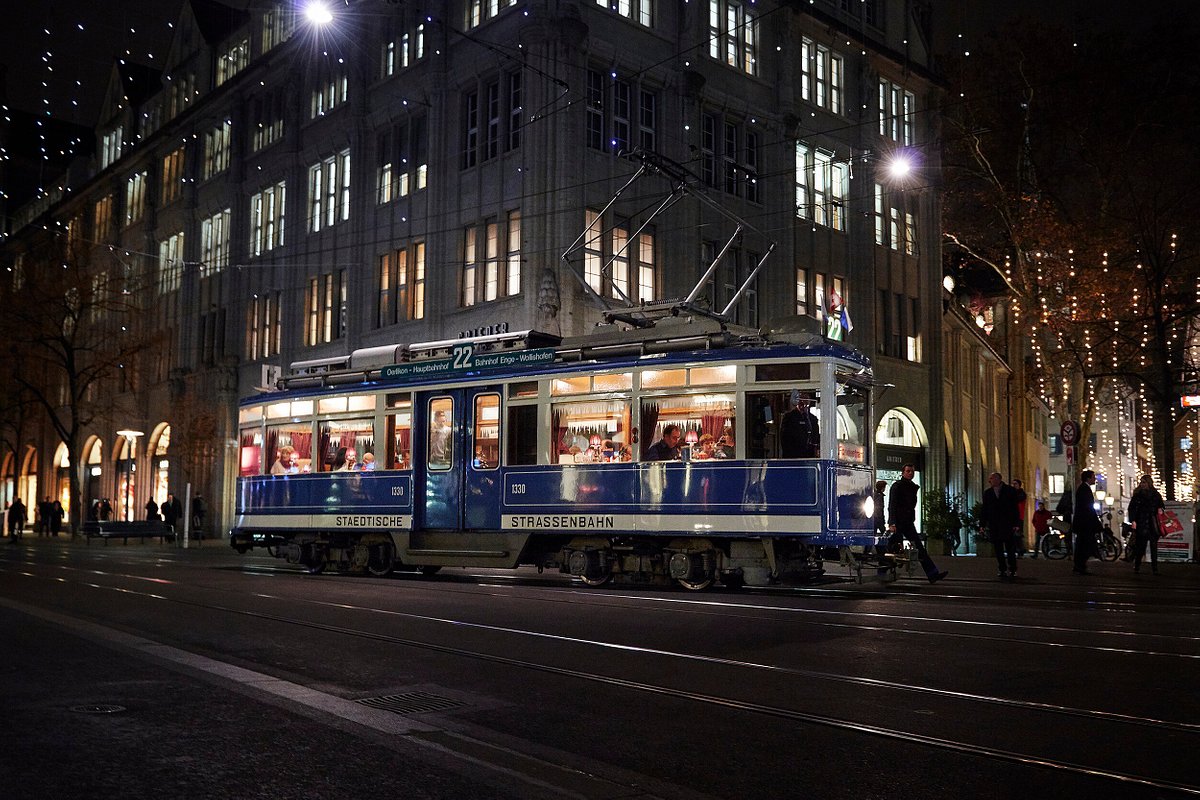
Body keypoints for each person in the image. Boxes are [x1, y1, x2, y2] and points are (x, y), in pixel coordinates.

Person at [887, 464, 948, 584]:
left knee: (920, 548)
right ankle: (882, 572)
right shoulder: (897, 486)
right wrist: (892, 522)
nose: (911, 473)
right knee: (891, 549)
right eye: (908, 471)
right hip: (898, 523)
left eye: (912, 471)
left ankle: (933, 574)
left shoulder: (913, 487)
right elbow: (892, 505)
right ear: (903, 473)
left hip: (908, 522)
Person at [980, 472, 1022, 579]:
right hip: (994, 525)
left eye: (991, 478)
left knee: (1010, 549)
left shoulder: (1010, 491)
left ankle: (1012, 569)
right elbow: (984, 510)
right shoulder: (988, 493)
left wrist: (1016, 523)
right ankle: (1002, 568)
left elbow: (1015, 509)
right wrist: (982, 525)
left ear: (998, 479)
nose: (990, 481)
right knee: (998, 549)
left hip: (1007, 524)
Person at [1127, 474, 1165, 575]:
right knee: (1140, 546)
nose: (1142, 484)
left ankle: (1154, 568)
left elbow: (1161, 506)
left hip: (1152, 523)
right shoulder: (1138, 495)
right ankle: (1137, 565)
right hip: (1142, 522)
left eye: (1144, 482)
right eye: (1141, 482)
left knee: (1153, 547)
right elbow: (1131, 508)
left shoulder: (1156, 494)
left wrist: (1160, 510)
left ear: (1149, 483)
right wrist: (1133, 520)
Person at [1072, 470, 1102, 575]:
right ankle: (1080, 565)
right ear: (1088, 478)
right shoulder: (1084, 489)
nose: (1095, 479)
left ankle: (1079, 565)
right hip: (1084, 523)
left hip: (1083, 522)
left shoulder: (1083, 488)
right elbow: (1088, 507)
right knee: (1084, 544)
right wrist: (1095, 521)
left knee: (1082, 544)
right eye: (1093, 477)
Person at [780, 390, 819, 458]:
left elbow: (815, 436)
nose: (803, 402)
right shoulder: (789, 417)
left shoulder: (813, 419)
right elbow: (785, 437)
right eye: (801, 399)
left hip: (809, 455)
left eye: (806, 399)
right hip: (793, 455)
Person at [1011, 478, 1028, 555]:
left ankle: (1020, 550)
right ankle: (1016, 550)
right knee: (1014, 534)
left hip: (1019, 517)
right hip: (1013, 516)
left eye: (1015, 484)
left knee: (1018, 534)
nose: (1013, 485)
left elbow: (1016, 501)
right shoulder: (1012, 493)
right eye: (1013, 484)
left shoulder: (1022, 494)